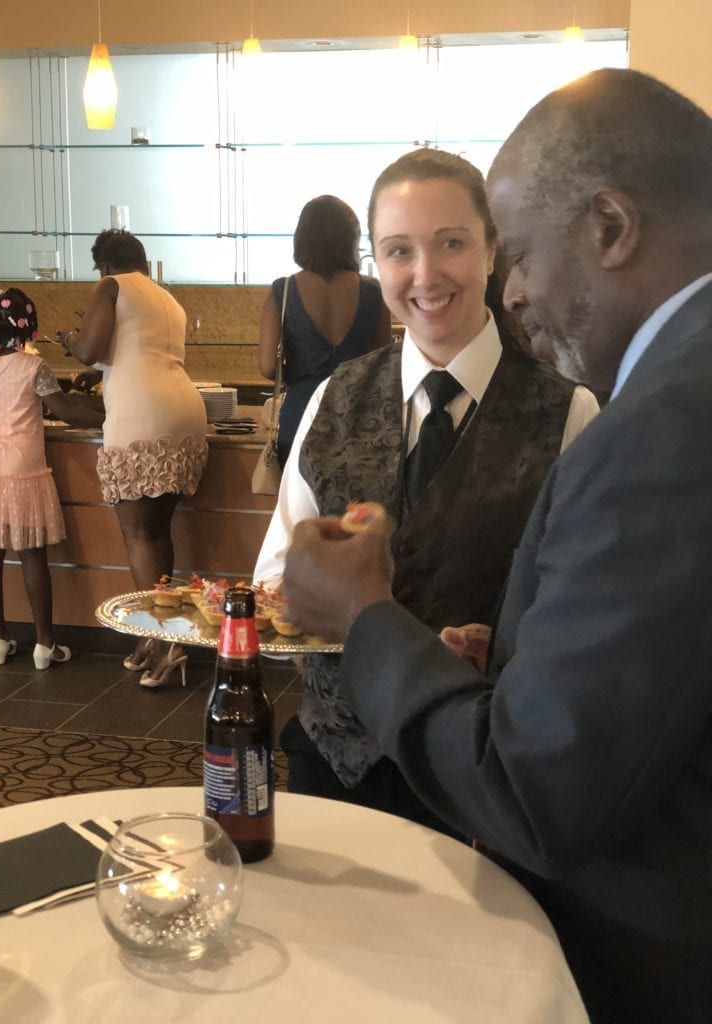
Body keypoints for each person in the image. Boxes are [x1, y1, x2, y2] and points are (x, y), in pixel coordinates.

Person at [281, 68, 712, 1024]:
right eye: (395, 249)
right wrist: (514, 664)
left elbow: (534, 789)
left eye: (509, 253)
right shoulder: (337, 399)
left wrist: (365, 615)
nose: (515, 290)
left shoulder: (650, 425)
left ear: (609, 227)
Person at [255, 148, 599, 833]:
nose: (425, 274)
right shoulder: (336, 396)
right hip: (336, 764)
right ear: (376, 263)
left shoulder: (571, 412)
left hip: (477, 772)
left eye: (451, 244)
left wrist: (498, 646)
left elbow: (583, 613)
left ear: (492, 250)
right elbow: (275, 578)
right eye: (398, 250)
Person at [61, 229, 208, 687]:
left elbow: (89, 349)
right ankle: (151, 636)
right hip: (184, 412)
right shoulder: (167, 299)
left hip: (141, 418)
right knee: (158, 533)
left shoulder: (110, 286)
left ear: (103, 264)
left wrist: (69, 338)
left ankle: (167, 645)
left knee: (139, 536)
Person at [0, 288, 104, 668]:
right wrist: (110, 418)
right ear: (29, 326)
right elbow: (66, 412)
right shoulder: (35, 367)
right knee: (32, 557)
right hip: (23, 472)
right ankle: (44, 645)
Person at [257, 194, 391, 468]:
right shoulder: (374, 293)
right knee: (353, 506)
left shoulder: (282, 292)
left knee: (298, 508)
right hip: (357, 415)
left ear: (302, 238)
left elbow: (268, 366)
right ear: (351, 239)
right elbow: (384, 363)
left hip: (301, 412)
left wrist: (301, 370)